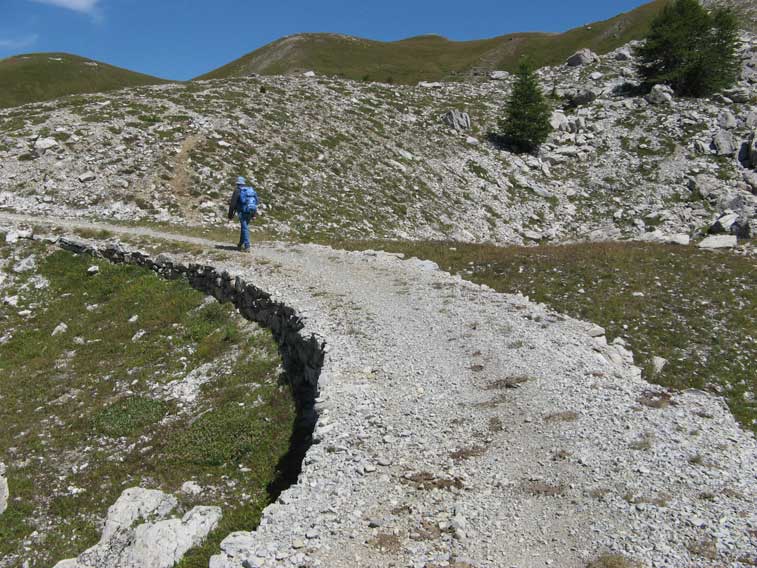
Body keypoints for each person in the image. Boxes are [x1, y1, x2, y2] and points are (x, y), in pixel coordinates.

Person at [227, 176, 259, 252]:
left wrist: (230, 215)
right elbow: (256, 202)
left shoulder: (237, 191)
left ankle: (247, 246)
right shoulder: (250, 190)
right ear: (243, 183)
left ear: (237, 183)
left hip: (242, 211)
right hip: (250, 211)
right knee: (244, 227)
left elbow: (232, 204)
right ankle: (240, 244)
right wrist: (254, 214)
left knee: (245, 228)